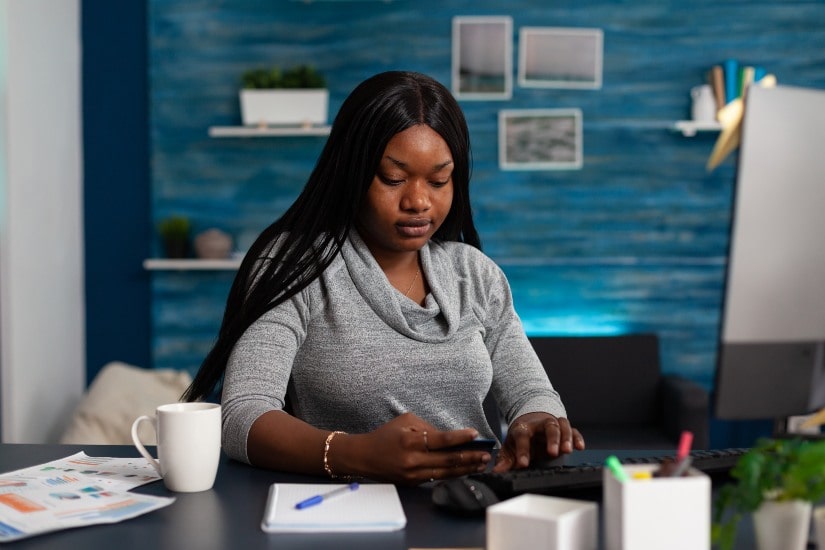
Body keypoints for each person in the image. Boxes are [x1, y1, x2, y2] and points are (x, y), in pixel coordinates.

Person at [183, 70, 585, 485]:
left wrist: (538, 423)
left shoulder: (475, 274)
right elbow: (242, 416)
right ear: (351, 172)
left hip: (472, 502)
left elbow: (531, 393)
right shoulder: (294, 265)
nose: (418, 201)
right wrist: (356, 455)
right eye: (393, 178)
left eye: (439, 180)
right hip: (344, 508)